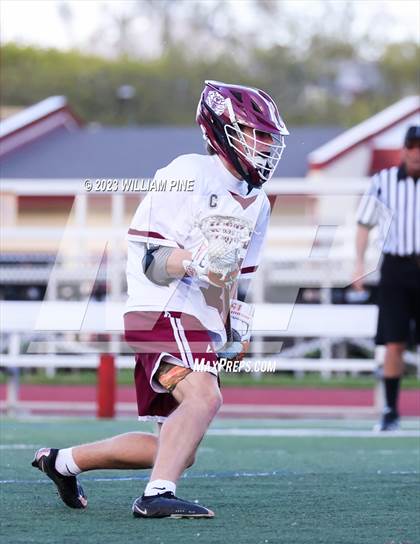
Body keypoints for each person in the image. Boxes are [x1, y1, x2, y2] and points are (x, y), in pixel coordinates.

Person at [32, 80, 289, 517]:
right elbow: (154, 260)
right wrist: (195, 260)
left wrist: (229, 324)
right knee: (206, 397)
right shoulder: (189, 172)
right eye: (258, 133)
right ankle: (155, 496)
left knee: (178, 447)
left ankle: (63, 462)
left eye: (269, 136)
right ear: (223, 128)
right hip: (162, 307)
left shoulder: (259, 202)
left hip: (196, 317)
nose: (266, 145)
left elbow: (228, 278)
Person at [353, 125, 420, 431]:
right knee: (394, 342)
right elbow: (364, 223)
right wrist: (358, 264)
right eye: (412, 146)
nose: (416, 153)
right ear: (404, 150)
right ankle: (390, 410)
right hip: (396, 268)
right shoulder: (383, 181)